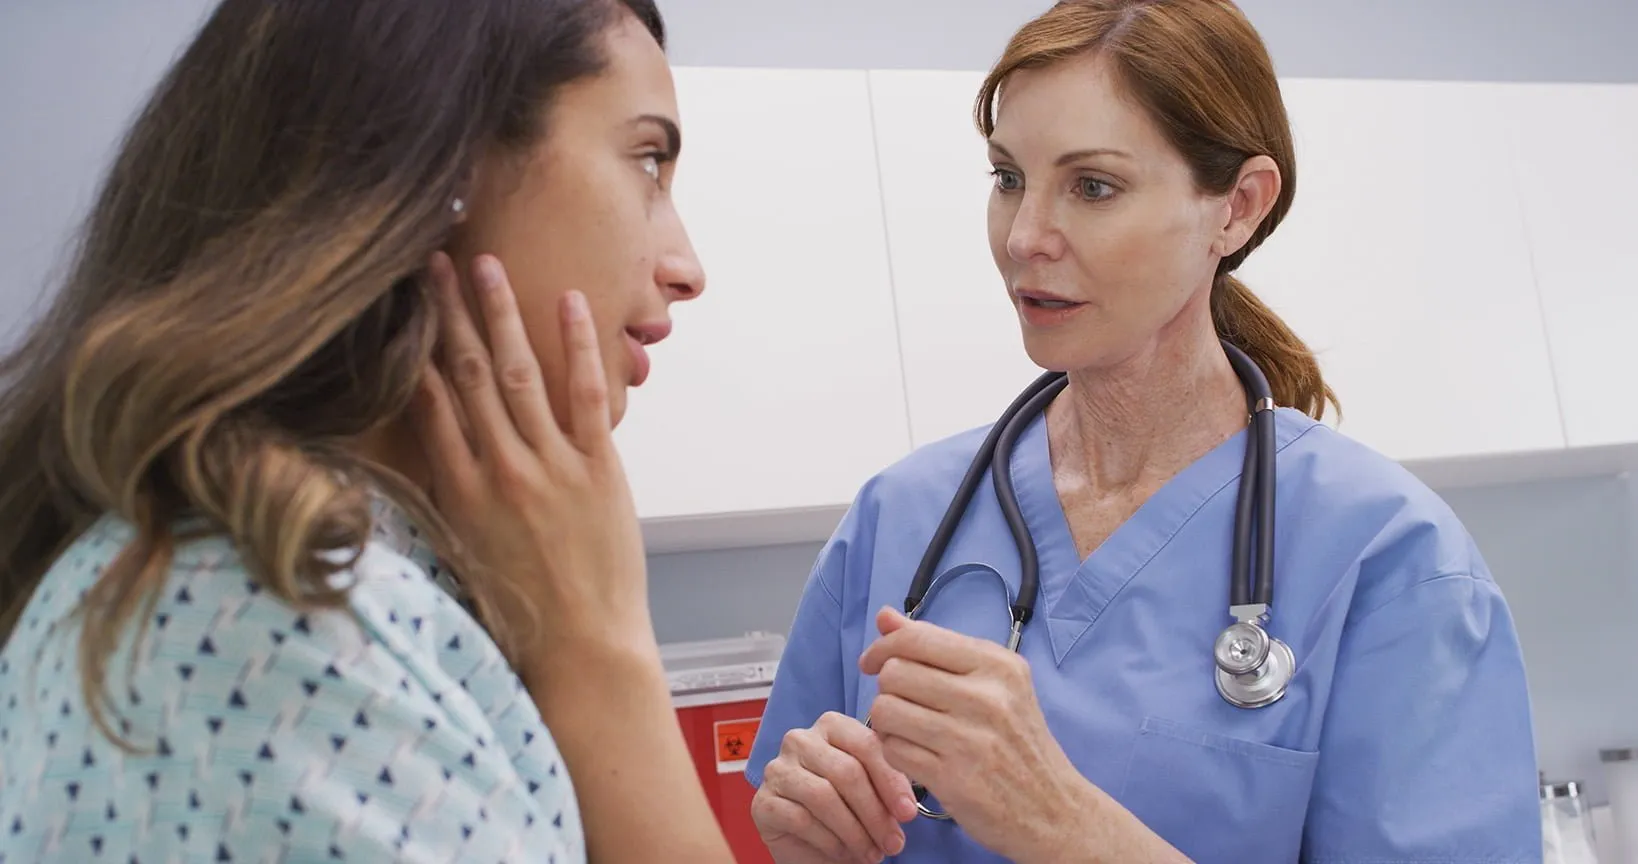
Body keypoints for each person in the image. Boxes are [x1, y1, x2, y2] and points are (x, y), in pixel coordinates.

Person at [743, 1, 1540, 862]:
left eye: (1093, 186)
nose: (1023, 237)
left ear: (1236, 207)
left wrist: (1062, 826)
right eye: (1007, 177)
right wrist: (807, 833)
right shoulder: (899, 516)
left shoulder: (1391, 562)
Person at [0, 1, 735, 861]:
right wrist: (605, 658)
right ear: (441, 160)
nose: (687, 268)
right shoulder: (268, 611)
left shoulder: (346, 582)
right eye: (647, 159)